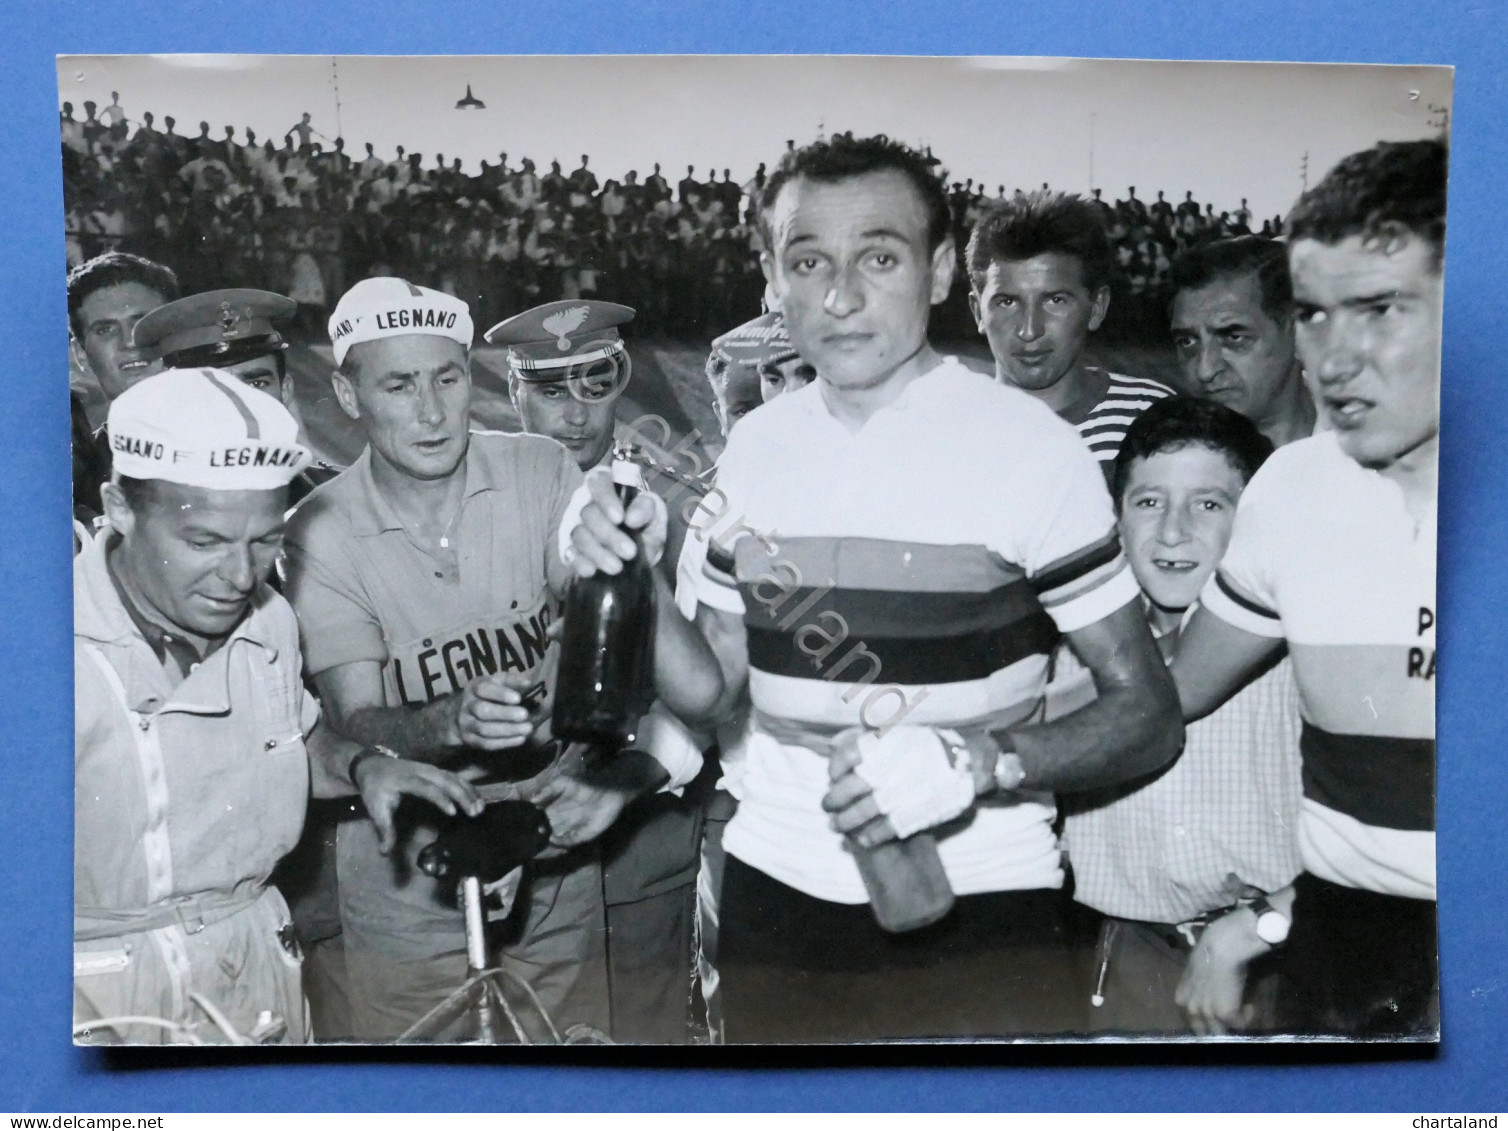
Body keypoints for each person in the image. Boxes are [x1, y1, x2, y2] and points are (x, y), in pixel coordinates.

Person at [577, 133, 1183, 1043]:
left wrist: (980, 761)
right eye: (807, 260)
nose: (841, 295)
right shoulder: (758, 445)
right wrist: (630, 566)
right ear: (773, 281)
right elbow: (710, 690)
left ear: (940, 271)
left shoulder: (1032, 450)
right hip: (773, 894)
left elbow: (1147, 714)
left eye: (880, 257)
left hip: (980, 896)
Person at [282, 278, 718, 1041]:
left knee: (573, 1070)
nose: (430, 410)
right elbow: (355, 717)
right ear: (347, 395)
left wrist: (622, 553)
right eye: (398, 384)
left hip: (548, 834)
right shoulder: (317, 527)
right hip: (407, 859)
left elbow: (592, 595)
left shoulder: (541, 467)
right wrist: (453, 717)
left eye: (447, 378)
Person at [74, 367, 481, 1045]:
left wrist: (361, 767)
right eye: (203, 542)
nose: (239, 577)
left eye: (263, 541)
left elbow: (295, 738)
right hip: (92, 992)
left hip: (255, 963)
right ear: (118, 506)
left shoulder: (268, 620)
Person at [1171, 139, 1445, 1039]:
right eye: (1317, 315)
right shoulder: (1291, 487)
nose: (1334, 356)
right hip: (1342, 954)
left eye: (1377, 310)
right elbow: (1164, 692)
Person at [487, 298, 713, 1043]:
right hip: (518, 830)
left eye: (595, 381)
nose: (576, 413)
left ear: (622, 380)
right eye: (550, 388)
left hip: (641, 830)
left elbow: (714, 687)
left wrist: (636, 772)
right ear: (513, 389)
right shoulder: (483, 497)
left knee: (644, 1050)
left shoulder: (681, 504)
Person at [1062, 396, 1302, 1035]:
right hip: (1133, 963)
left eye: (1208, 503)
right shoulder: (1066, 652)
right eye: (1148, 501)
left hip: (1280, 953)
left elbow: (1380, 841)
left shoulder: (1303, 652)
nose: (1172, 532)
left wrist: (1261, 927)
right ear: (1115, 520)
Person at [966, 191, 1173, 477]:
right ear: (978, 312)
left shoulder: (1154, 417)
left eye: (1055, 301)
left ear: (1097, 307)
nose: (1029, 330)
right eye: (1007, 302)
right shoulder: (945, 430)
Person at [67, 253, 180, 530]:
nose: (130, 342)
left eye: (143, 323)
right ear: (81, 354)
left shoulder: (235, 437)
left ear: (177, 332)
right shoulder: (76, 478)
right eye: (105, 329)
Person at [1169, 236, 1317, 448]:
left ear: (1296, 331)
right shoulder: (1170, 461)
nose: (1205, 370)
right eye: (1187, 342)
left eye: (1234, 338)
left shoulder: (1364, 450)